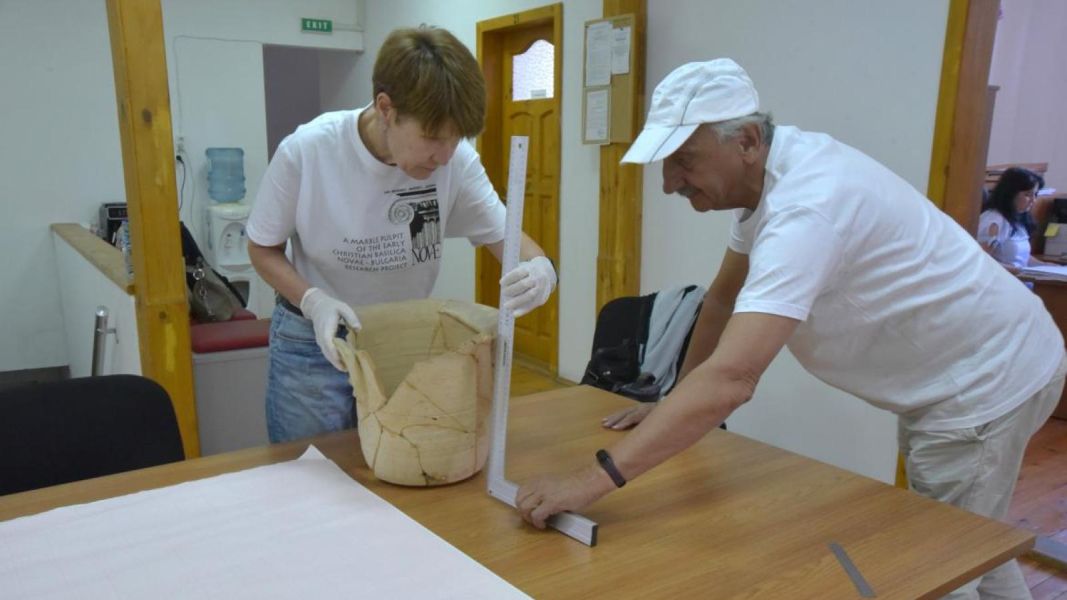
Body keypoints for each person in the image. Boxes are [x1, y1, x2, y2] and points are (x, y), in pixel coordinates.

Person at [515, 59, 1065, 600]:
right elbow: (724, 299)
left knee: (944, 568)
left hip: (985, 384)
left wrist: (591, 481)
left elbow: (734, 378)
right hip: (976, 366)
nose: (668, 183)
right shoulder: (766, 181)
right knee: (978, 545)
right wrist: (673, 397)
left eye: (683, 160)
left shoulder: (807, 207)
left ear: (747, 141)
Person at [247, 26, 556, 444]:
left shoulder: (455, 161)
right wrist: (313, 300)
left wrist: (541, 268)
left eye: (456, 140)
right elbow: (261, 247)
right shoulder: (307, 151)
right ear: (386, 108)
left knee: (397, 471)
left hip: (401, 337)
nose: (444, 156)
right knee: (309, 475)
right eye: (432, 138)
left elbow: (508, 237)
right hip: (314, 343)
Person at [977, 167, 1048, 272]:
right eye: (1027, 194)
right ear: (1010, 194)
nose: (1033, 200)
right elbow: (982, 260)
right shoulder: (994, 219)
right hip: (1002, 283)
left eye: (1035, 194)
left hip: (1022, 281)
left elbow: (1022, 258)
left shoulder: (1017, 220)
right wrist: (1017, 270)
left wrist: (1049, 267)